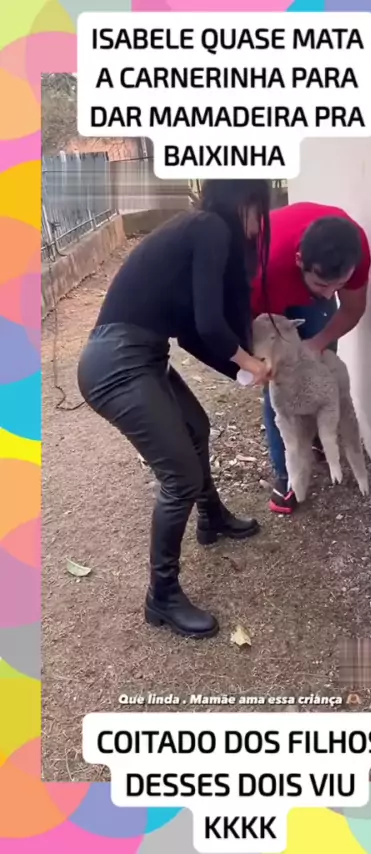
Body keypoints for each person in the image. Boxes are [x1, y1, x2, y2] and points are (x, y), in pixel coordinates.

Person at [77, 180, 272, 640]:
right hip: (116, 365)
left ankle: (212, 518)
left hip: (139, 357)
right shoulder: (209, 228)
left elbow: (191, 334)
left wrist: (242, 374)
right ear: (245, 201)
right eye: (259, 213)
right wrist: (250, 363)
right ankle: (161, 596)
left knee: (196, 427)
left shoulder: (193, 233)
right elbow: (210, 324)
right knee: (179, 476)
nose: (258, 227)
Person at [251, 201, 371, 514]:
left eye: (339, 285)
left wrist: (318, 343)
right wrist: (260, 364)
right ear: (300, 261)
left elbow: (352, 308)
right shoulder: (263, 269)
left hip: (296, 273)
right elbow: (253, 333)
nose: (331, 294)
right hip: (269, 285)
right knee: (280, 383)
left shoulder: (355, 251)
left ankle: (317, 431)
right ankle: (288, 472)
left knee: (320, 363)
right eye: (323, 284)